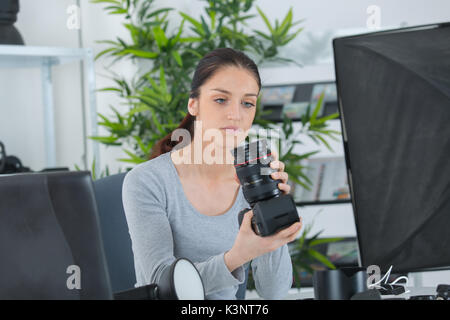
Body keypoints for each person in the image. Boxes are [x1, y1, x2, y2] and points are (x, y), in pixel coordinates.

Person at [122, 47, 303, 300]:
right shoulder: (147, 181)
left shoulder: (252, 181)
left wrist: (270, 206)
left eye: (247, 103)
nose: (235, 115)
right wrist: (237, 256)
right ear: (193, 104)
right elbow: (163, 288)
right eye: (220, 99)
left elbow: (273, 292)